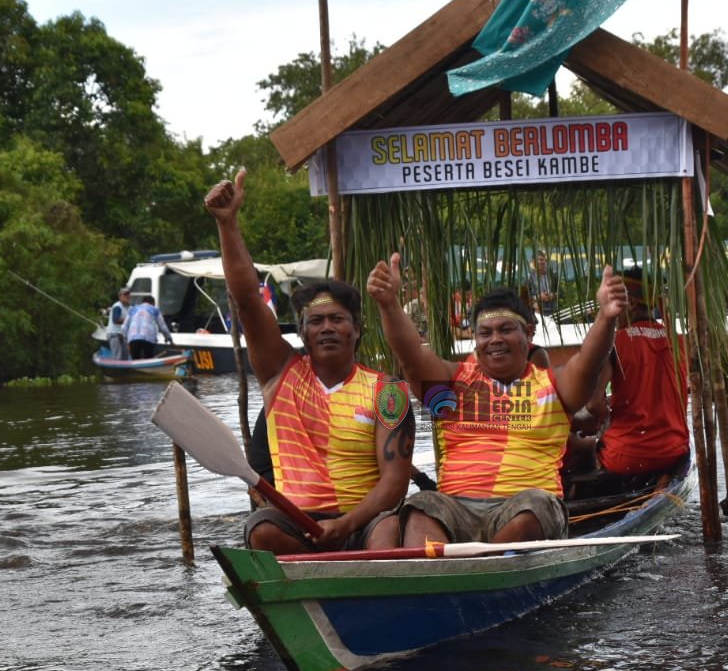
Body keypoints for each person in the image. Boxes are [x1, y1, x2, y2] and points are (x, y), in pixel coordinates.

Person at [204, 168, 414, 554]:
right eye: (316, 321)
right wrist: (228, 224)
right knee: (261, 530)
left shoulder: (389, 390)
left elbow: (394, 483)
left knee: (387, 534)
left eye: (338, 319)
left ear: (356, 329)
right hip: (295, 522)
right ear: (302, 334)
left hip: (364, 521)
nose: (327, 328)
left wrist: (345, 524)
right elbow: (248, 300)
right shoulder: (280, 372)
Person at [366, 254, 628, 548]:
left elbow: (589, 362)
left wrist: (607, 317)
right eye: (485, 332)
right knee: (421, 507)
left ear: (528, 334)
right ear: (475, 340)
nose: (495, 340)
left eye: (506, 329)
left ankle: (470, 572)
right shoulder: (451, 383)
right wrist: (388, 304)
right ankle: (441, 577)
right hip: (457, 509)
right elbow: (410, 355)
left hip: (526, 508)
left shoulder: (554, 384)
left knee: (536, 505)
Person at [594, 268, 690, 475]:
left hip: (625, 457)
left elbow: (594, 404)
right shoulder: (679, 341)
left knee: (576, 448)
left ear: (632, 304)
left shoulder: (615, 342)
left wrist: (602, 416)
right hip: (675, 451)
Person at [528, 250, 559, 316]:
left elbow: (561, 292)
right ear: (533, 262)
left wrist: (553, 295)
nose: (539, 262)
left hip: (554, 310)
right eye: (537, 260)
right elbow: (525, 297)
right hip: (538, 312)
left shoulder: (553, 275)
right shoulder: (529, 278)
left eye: (542, 259)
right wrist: (537, 297)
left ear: (545, 261)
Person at [106, 287, 131, 359]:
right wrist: (129, 320)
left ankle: (124, 369)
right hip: (114, 334)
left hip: (122, 334)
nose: (127, 296)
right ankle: (115, 369)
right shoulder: (117, 306)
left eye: (128, 295)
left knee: (125, 356)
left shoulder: (128, 307)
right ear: (120, 297)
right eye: (125, 295)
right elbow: (115, 320)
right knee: (117, 357)